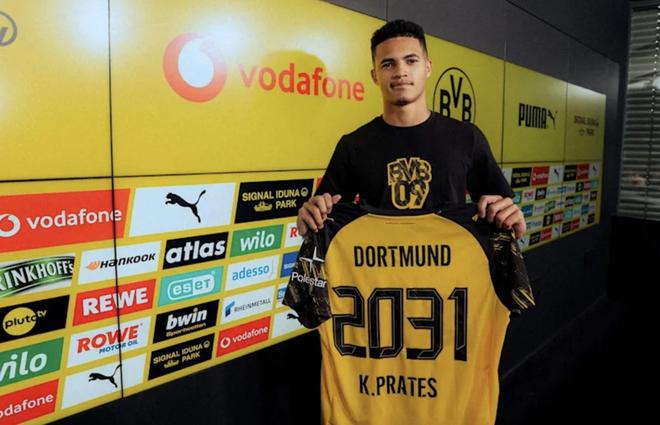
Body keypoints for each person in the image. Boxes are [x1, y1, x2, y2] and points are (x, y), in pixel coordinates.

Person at [297, 19, 525, 239]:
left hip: (451, 265)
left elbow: (502, 213)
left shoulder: (466, 137)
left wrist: (509, 216)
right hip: (378, 265)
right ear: (375, 76)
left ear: (428, 67)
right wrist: (311, 217)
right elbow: (324, 220)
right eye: (388, 64)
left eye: (411, 60)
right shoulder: (353, 145)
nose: (400, 71)